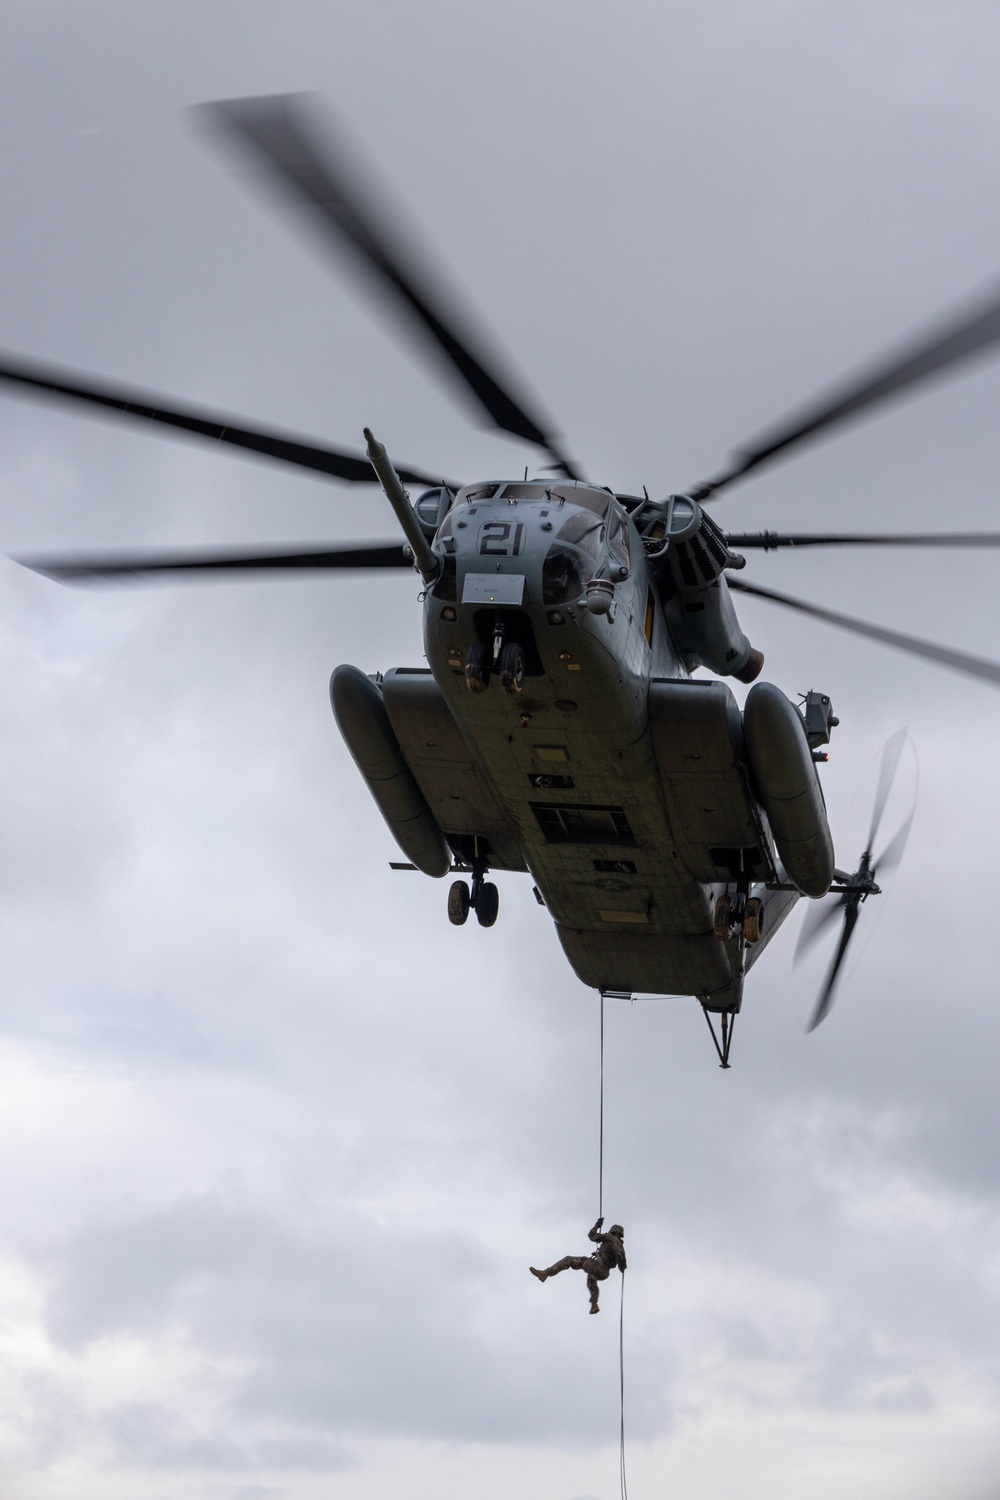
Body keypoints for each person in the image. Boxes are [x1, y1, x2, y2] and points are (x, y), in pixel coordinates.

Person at [530, 1217, 626, 1313]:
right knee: (592, 1280)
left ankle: (546, 1273)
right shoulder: (622, 1249)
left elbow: (591, 1235)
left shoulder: (608, 1238)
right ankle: (594, 1304)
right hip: (604, 1273)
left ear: (612, 1232)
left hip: (597, 1267)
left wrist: (597, 1225)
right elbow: (622, 1267)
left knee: (569, 1260)